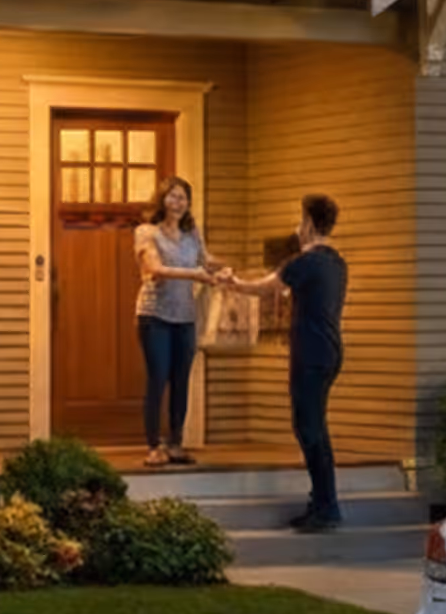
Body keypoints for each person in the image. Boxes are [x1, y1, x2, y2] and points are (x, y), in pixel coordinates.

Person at [221, 193, 346, 530]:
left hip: (310, 352)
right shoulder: (335, 262)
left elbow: (266, 288)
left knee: (309, 428)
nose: (296, 227)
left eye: (299, 220)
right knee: (315, 426)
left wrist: (232, 284)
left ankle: (327, 507)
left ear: (308, 224)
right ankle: (321, 501)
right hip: (331, 351)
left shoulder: (303, 263)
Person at [132, 176, 221, 467]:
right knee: (158, 378)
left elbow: (206, 261)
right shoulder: (147, 232)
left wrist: (224, 271)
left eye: (183, 197)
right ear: (161, 200)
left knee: (181, 380)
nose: (178, 202)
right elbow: (154, 268)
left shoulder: (192, 233)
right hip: (154, 314)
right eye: (172, 196)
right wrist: (194, 275)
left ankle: (176, 444)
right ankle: (153, 446)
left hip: (185, 315)